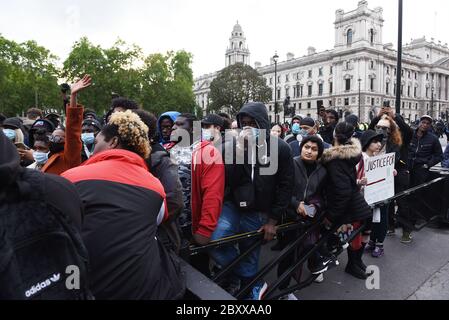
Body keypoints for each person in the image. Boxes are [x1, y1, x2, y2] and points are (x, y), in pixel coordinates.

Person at [62, 110, 184, 300]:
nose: (93, 150)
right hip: (141, 289)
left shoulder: (69, 179)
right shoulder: (155, 186)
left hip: (81, 286)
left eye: (96, 143)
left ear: (113, 142)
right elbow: (157, 221)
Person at [210, 102, 294, 300]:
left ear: (263, 124)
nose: (248, 128)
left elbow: (286, 185)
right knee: (215, 241)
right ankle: (251, 280)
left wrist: (273, 220)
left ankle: (247, 287)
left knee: (250, 254)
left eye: (253, 123)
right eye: (244, 123)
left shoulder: (280, 148)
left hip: (259, 211)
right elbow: (229, 180)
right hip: (234, 205)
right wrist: (240, 150)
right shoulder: (233, 146)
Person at [0, 131, 89, 299]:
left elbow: (76, 265)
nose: (38, 150)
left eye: (42, 148)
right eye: (36, 147)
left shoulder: (55, 187)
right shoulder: (50, 181)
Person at [277, 136, 328, 299]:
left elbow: (322, 194)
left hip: (310, 217)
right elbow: (280, 188)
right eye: (307, 147)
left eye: (314, 149)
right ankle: (281, 291)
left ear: (319, 153)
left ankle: (308, 272)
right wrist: (295, 203)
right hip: (290, 218)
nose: (309, 151)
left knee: (305, 250)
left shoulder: (322, 169)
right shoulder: (291, 163)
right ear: (301, 147)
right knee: (287, 257)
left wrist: (315, 206)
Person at [134, 109, 184, 253]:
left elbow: (174, 201)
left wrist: (143, 221)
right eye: (164, 127)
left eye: (173, 126)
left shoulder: (160, 158)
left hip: (160, 236)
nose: (170, 130)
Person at [321, 122, 371, 263]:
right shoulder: (350, 155)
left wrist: (331, 216)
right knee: (352, 237)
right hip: (352, 204)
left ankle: (351, 264)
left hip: (341, 206)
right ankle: (355, 263)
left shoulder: (334, 159)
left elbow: (342, 190)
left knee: (339, 239)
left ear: (334, 134)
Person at [41, 75, 91, 175]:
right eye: (54, 136)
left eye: (60, 137)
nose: (56, 139)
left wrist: (73, 95)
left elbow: (72, 129)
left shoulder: (69, 156)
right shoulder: (49, 158)